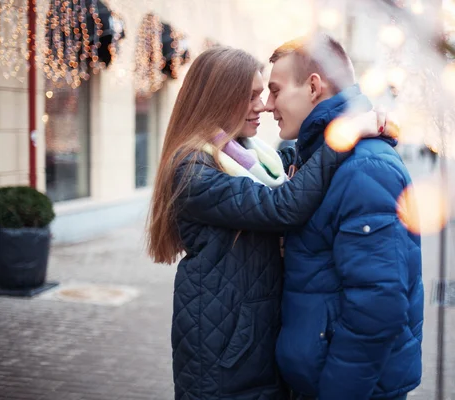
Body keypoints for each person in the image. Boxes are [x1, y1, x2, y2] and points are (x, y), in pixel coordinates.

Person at [146, 46, 383, 400]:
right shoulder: (193, 169)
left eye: (266, 93)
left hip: (248, 343)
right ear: (220, 98)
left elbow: (285, 170)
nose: (263, 106)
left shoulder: (248, 155)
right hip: (223, 354)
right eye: (252, 96)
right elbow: (282, 205)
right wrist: (341, 137)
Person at [265, 34, 424, 400]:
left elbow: (378, 306)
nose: (268, 104)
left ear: (314, 87)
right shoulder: (321, 158)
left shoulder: (364, 168)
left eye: (275, 90)